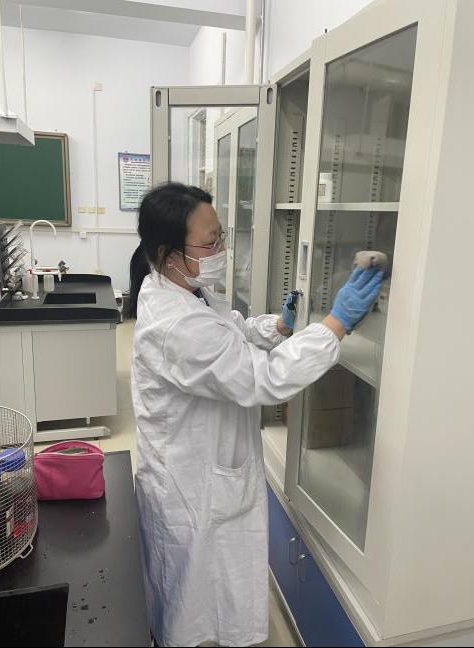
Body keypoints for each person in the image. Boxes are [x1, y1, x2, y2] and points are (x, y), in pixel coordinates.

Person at [130, 182, 383, 648]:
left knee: (206, 588)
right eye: (210, 242)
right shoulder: (175, 324)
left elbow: (231, 332)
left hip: (203, 470)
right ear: (168, 253)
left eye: (221, 237)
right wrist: (336, 323)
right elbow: (263, 378)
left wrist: (278, 326)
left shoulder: (184, 289)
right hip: (190, 483)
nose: (221, 250)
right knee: (189, 599)